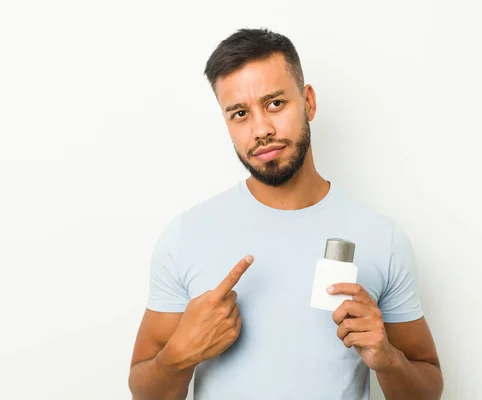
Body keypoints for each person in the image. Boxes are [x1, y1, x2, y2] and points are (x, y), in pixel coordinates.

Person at [128, 28, 443, 400]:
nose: (261, 129)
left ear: (308, 101)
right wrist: (178, 357)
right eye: (240, 114)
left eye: (275, 103)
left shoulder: (382, 238)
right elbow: (143, 390)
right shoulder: (186, 236)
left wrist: (388, 359)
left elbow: (428, 389)